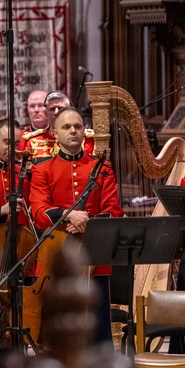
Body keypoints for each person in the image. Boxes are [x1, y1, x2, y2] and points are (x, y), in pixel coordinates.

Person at [28, 107, 123, 343]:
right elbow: (38, 211)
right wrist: (68, 215)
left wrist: (87, 222)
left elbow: (114, 211)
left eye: (77, 126)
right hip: (55, 257)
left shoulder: (103, 168)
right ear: (54, 133)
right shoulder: (42, 168)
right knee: (58, 333)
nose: (73, 131)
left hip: (94, 256)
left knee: (99, 331)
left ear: (84, 131)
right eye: (66, 127)